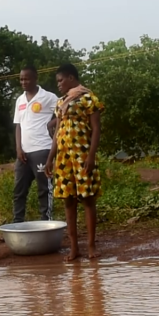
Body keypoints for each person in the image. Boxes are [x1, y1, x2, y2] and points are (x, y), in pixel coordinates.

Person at [44, 63, 104, 261]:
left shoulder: (89, 98)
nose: (59, 85)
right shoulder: (61, 102)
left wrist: (91, 156)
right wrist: (50, 158)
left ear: (71, 78)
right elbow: (58, 132)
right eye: (57, 82)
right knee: (68, 201)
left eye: (61, 80)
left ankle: (91, 246)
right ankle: (74, 248)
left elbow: (96, 129)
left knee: (88, 200)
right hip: (63, 158)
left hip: (83, 156)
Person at [12, 64, 59, 223]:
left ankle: (47, 222)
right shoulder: (19, 100)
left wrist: (51, 123)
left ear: (35, 78)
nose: (23, 82)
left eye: (27, 78)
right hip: (23, 153)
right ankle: (17, 223)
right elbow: (18, 125)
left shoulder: (48, 97)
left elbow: (64, 112)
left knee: (44, 189)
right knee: (19, 190)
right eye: (21, 79)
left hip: (42, 149)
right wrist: (18, 148)